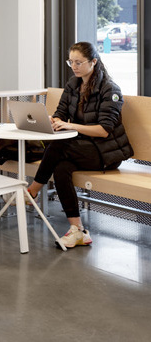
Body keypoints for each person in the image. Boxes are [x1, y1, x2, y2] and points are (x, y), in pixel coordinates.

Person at [26, 40, 133, 248]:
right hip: (80, 148)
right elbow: (61, 112)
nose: (74, 67)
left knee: (58, 147)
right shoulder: (73, 84)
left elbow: (104, 130)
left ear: (93, 62)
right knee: (60, 167)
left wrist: (69, 125)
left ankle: (32, 191)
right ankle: (78, 230)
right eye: (71, 62)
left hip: (105, 153)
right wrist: (55, 120)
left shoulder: (110, 89)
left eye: (78, 62)